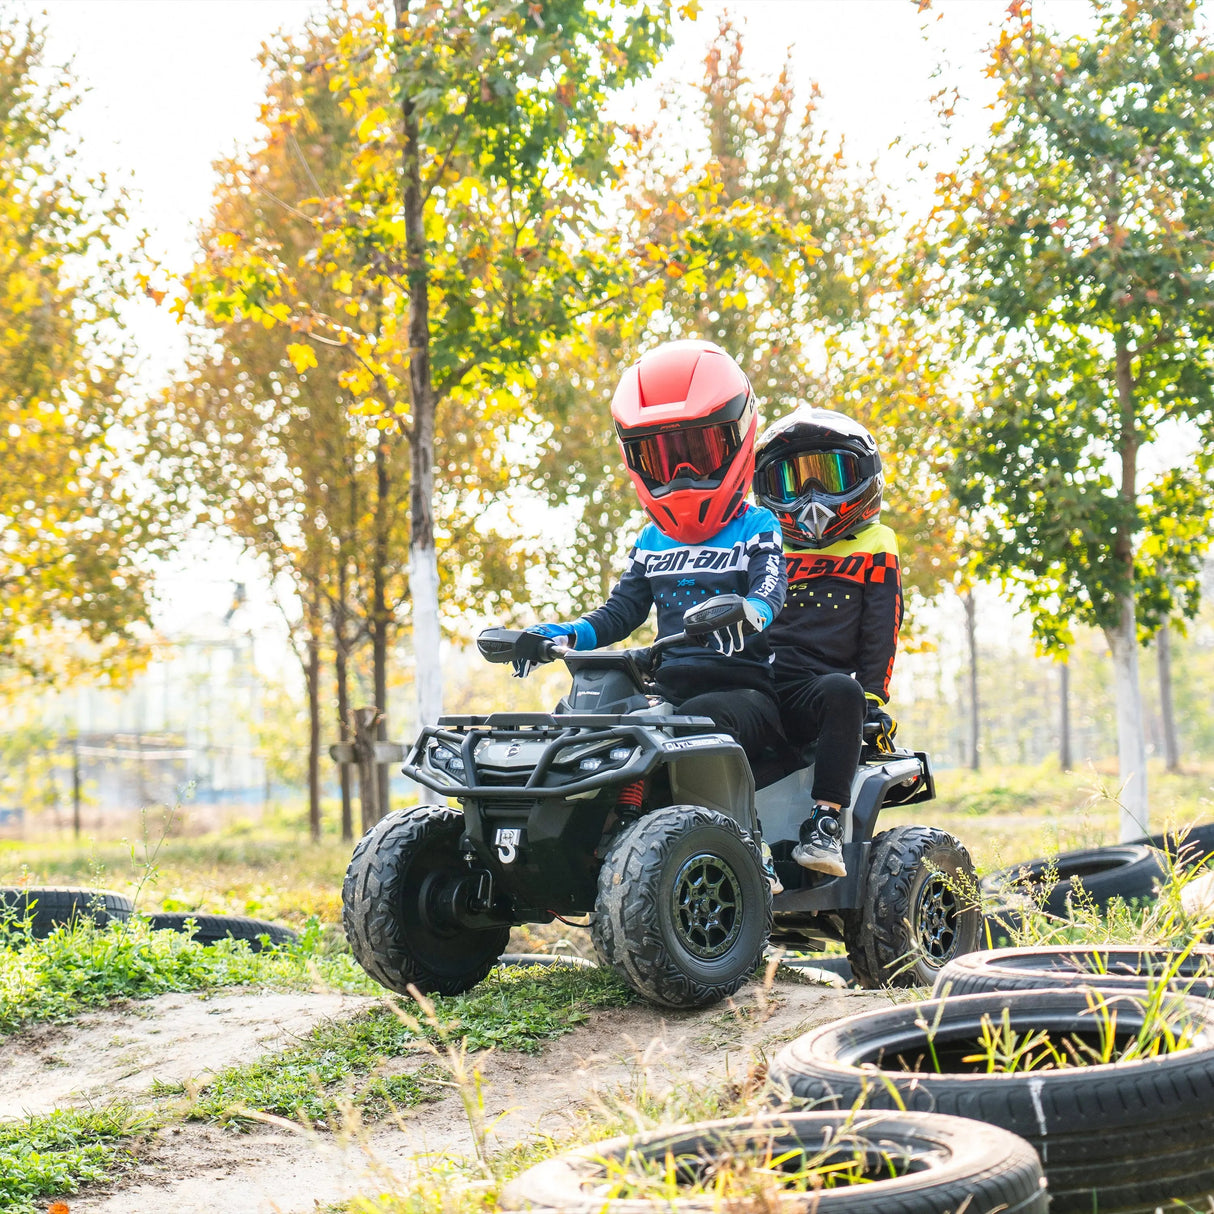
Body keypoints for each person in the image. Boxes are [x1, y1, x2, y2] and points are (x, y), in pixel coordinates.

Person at [515, 339, 788, 882]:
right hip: (669, 693)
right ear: (635, 459)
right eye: (662, 456)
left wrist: (748, 610)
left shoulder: (759, 526)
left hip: (748, 694)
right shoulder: (650, 540)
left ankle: (754, 859)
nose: (683, 473)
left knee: (694, 721)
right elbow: (617, 614)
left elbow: (770, 589)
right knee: (589, 726)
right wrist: (551, 634)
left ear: (739, 437)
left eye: (699, 451)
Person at [751, 406, 902, 878]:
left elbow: (882, 626)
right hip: (757, 679)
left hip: (816, 690)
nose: (812, 496)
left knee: (845, 691)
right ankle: (743, 839)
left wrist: (873, 698)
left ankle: (825, 824)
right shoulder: (765, 544)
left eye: (830, 475)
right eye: (794, 482)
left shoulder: (876, 542)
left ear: (863, 477)